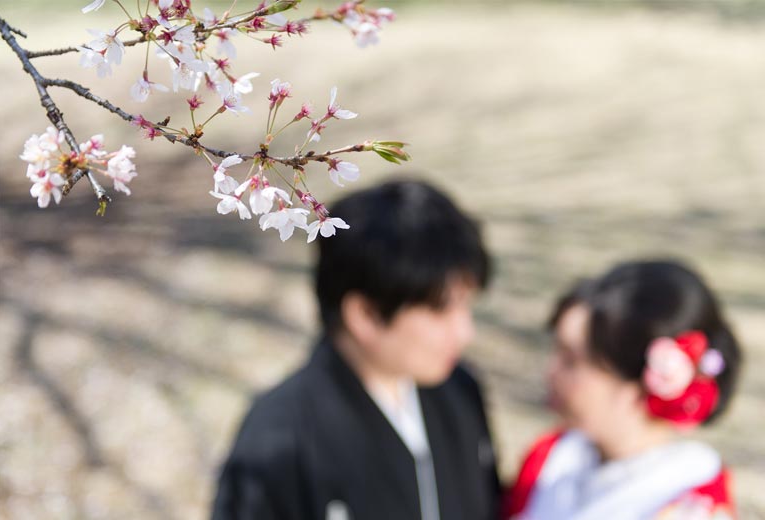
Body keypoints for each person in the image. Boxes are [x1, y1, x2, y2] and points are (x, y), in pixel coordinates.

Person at [212, 179, 500, 520]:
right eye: (441, 310)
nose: (465, 332)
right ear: (364, 314)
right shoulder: (279, 442)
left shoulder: (459, 392)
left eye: (466, 306)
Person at [503, 260, 741, 520]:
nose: (551, 372)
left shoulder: (688, 502)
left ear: (640, 383)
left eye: (571, 361)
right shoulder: (551, 459)